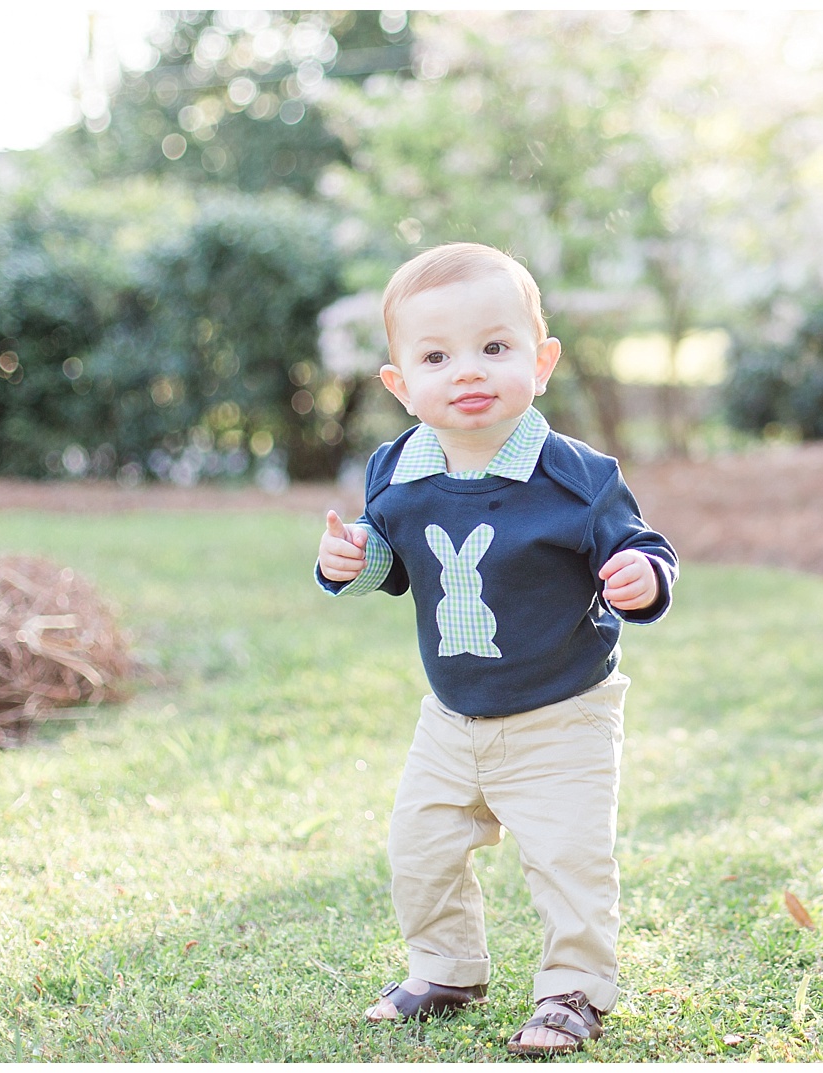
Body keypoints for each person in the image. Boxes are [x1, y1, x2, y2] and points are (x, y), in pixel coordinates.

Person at [314, 242, 677, 1056]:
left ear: (540, 362)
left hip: (562, 713)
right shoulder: (395, 471)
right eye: (437, 356)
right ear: (401, 385)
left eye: (495, 347)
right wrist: (352, 559)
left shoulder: (576, 476)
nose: (468, 371)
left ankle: (573, 989)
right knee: (420, 848)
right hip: (452, 713)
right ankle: (446, 968)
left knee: (568, 859)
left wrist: (641, 577)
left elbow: (645, 546)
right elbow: (392, 557)